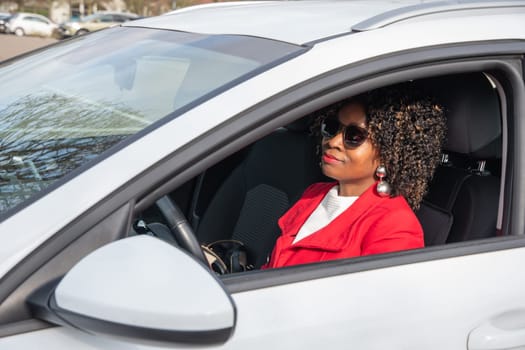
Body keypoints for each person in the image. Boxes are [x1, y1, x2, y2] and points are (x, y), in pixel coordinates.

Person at [262, 84, 446, 269]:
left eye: (354, 136)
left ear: (391, 151)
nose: (333, 141)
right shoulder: (314, 193)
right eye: (332, 127)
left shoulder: (395, 227)